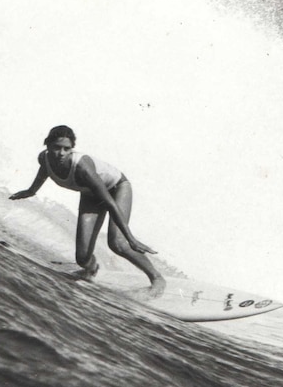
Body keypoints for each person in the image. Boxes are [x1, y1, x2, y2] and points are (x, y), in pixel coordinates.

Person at [10, 125, 166, 297]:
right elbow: (44, 171)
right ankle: (91, 270)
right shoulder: (44, 159)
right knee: (82, 258)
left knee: (117, 244)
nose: (61, 153)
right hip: (90, 195)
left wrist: (130, 238)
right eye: (57, 147)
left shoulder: (82, 167)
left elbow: (109, 202)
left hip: (117, 189)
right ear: (47, 145)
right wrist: (31, 190)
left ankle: (157, 278)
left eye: (67, 149)